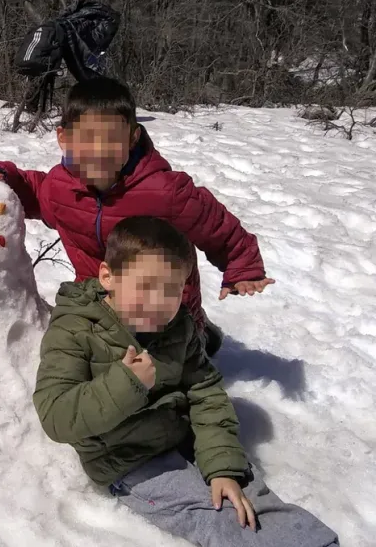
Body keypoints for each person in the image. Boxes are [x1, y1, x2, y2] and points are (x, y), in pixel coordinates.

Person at [33, 216, 338, 546]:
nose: (158, 302)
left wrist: (222, 467)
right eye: (145, 286)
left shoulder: (178, 325)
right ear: (108, 276)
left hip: (181, 435)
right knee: (213, 514)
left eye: (171, 290)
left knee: (245, 494)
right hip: (127, 458)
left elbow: (204, 391)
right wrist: (126, 383)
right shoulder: (75, 330)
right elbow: (56, 417)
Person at [0, 78, 274, 356]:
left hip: (163, 305)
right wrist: (0, 176)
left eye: (112, 139)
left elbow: (218, 226)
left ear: (133, 139)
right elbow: (32, 189)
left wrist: (242, 268)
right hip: (101, 297)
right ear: (63, 138)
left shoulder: (164, 191)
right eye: (86, 138)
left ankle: (199, 336)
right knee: (84, 353)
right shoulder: (60, 189)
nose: (98, 150)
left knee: (164, 368)